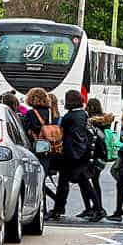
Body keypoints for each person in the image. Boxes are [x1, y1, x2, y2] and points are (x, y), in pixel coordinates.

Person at [46, 90, 102, 222]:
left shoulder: (69, 117)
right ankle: (97, 208)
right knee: (80, 182)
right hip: (82, 153)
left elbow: (62, 134)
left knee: (66, 184)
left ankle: (59, 210)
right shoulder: (83, 114)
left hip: (70, 154)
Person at [77, 98, 114, 220]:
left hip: (92, 156)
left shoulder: (90, 122)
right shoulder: (105, 122)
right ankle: (96, 207)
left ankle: (93, 208)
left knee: (85, 182)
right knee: (94, 182)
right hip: (101, 156)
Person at [23, 87, 58, 204]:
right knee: (43, 177)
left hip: (36, 148)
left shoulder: (31, 114)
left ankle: (40, 206)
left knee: (36, 180)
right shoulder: (52, 113)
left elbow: (25, 130)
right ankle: (49, 205)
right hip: (50, 149)